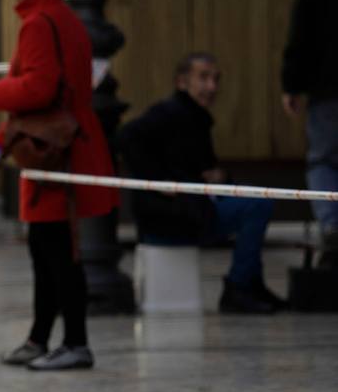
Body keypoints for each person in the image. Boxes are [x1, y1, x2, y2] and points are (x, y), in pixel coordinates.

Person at [0, 0, 118, 371]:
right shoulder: (64, 17)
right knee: (47, 247)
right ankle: (40, 337)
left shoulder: (38, 23)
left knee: (59, 251)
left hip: (53, 152)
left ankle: (75, 341)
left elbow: (37, 88)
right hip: (60, 144)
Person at [117, 53, 286, 313]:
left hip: (186, 209)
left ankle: (249, 282)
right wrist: (162, 182)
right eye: (204, 78)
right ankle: (241, 285)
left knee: (253, 204)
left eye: (216, 79)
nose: (212, 87)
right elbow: (127, 138)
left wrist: (218, 177)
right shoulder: (172, 113)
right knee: (257, 205)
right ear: (182, 82)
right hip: (175, 215)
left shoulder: (192, 116)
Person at [281, 0, 338, 268]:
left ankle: (332, 225)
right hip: (326, 86)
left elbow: (302, 31)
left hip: (327, 87)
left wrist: (292, 84)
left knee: (324, 160)